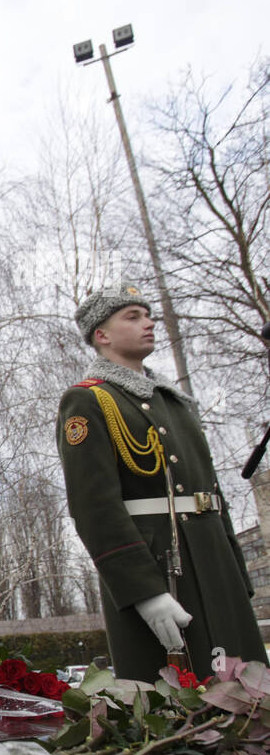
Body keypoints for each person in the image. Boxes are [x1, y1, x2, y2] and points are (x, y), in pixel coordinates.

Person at [58, 284, 267, 681]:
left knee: (249, 688)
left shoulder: (176, 403)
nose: (149, 323)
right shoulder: (89, 400)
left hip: (214, 558)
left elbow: (212, 492)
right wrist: (144, 590)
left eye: (148, 314)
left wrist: (237, 573)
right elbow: (94, 507)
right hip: (159, 564)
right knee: (178, 697)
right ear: (101, 335)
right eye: (133, 317)